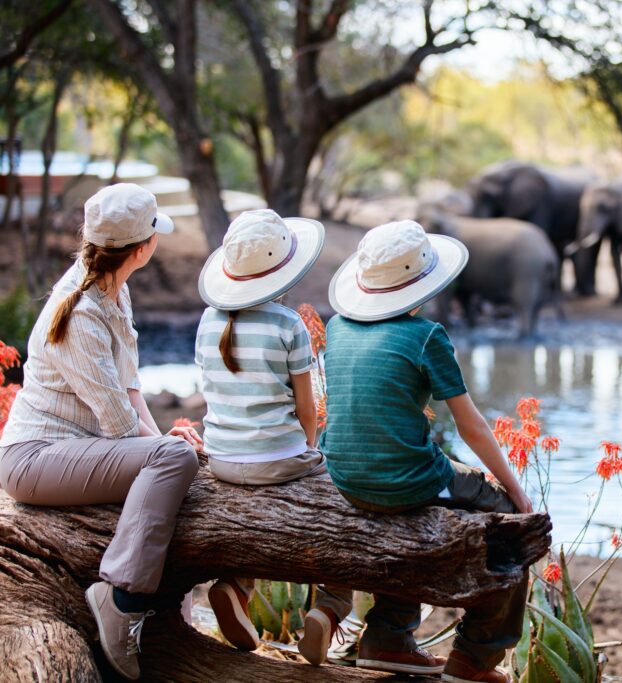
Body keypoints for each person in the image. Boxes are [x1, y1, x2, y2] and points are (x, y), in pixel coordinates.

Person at [0, 183, 202, 680]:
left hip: (74, 450)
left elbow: (130, 388)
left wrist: (162, 438)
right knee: (175, 459)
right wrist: (163, 449)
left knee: (174, 455)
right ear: (142, 248)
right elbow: (117, 424)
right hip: (34, 458)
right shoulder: (81, 312)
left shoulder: (114, 289)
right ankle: (122, 599)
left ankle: (156, 613)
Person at [321, 220, 533, 683]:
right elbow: (472, 427)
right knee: (512, 528)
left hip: (344, 478)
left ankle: (388, 639)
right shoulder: (426, 335)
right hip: (406, 480)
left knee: (410, 506)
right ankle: (475, 657)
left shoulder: (337, 327)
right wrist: (517, 494)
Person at [194, 209, 351, 664]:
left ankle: (235, 585)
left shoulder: (207, 321)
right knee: (346, 511)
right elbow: (307, 409)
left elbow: (211, 392)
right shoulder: (288, 325)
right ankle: (330, 607)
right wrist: (308, 451)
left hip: (222, 459)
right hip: (281, 459)